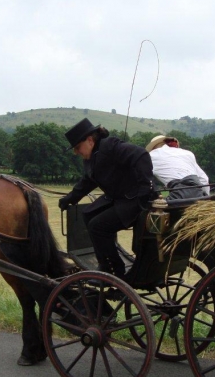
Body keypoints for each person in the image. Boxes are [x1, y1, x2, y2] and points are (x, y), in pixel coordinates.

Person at [58, 118, 155, 278]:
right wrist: (70, 198)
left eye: (77, 147)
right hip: (118, 198)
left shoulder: (110, 146)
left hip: (136, 199)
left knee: (98, 227)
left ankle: (113, 270)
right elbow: (88, 180)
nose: (76, 152)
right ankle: (106, 259)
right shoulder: (91, 157)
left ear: (90, 140)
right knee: (88, 214)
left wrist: (146, 187)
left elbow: (141, 154)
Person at [145, 135, 209, 200]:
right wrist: (205, 197)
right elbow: (204, 179)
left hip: (178, 195)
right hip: (198, 193)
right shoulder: (188, 153)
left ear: (153, 148)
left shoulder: (150, 156)